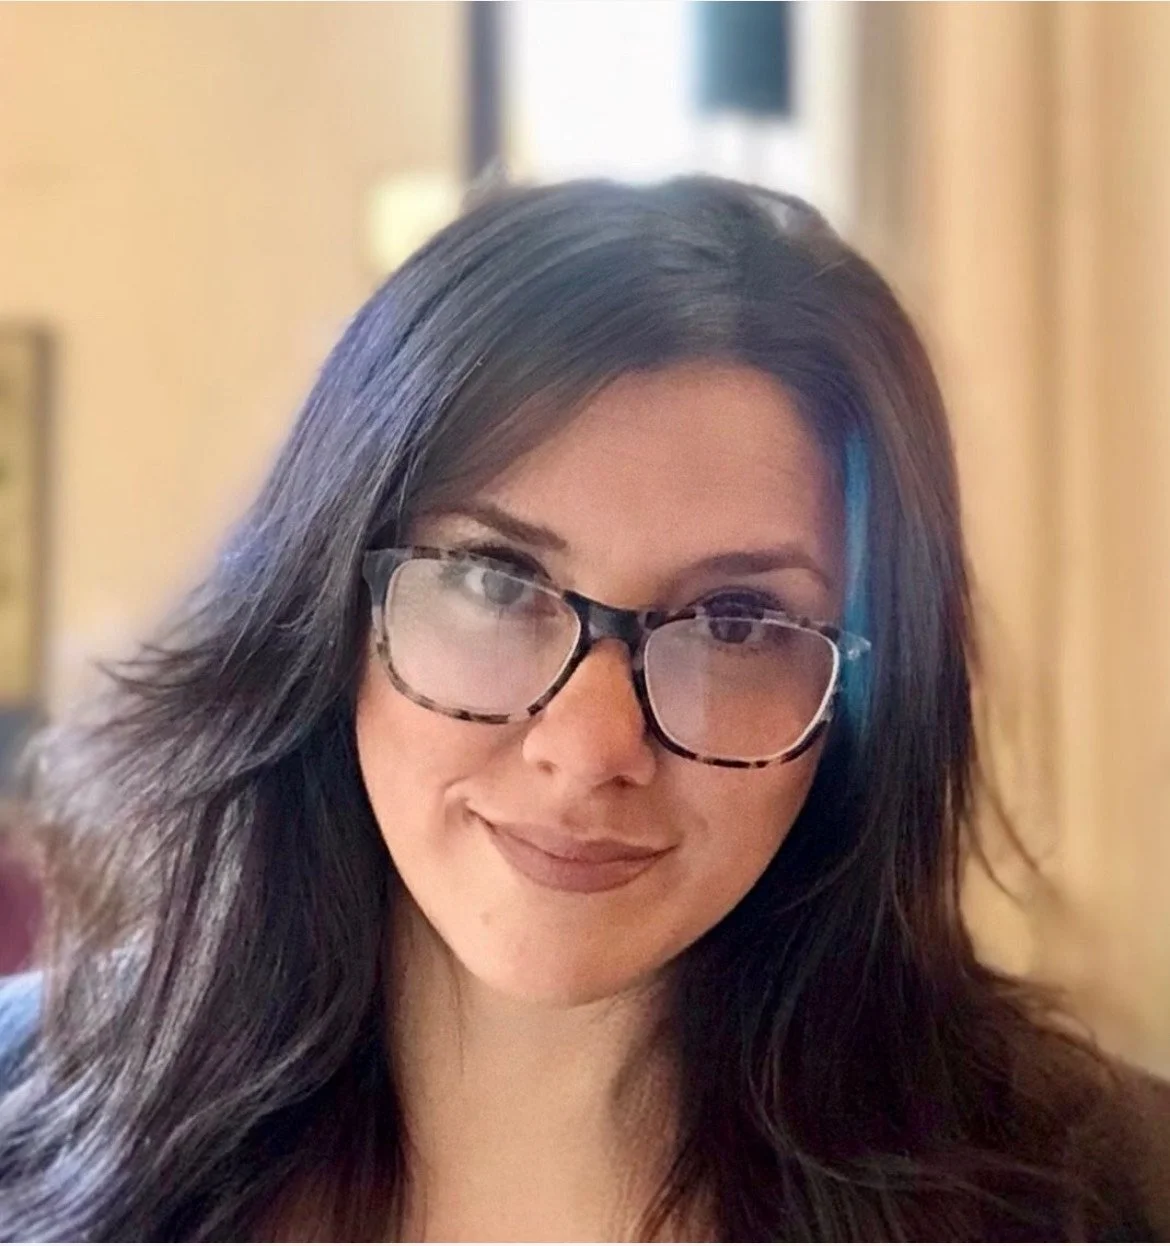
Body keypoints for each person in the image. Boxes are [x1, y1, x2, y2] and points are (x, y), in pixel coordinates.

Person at [0, 176, 1165, 1242]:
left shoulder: (1103, 1193)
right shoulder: (30, 1122)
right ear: (329, 607)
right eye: (495, 580)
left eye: (737, 622)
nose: (592, 746)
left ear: (872, 697)